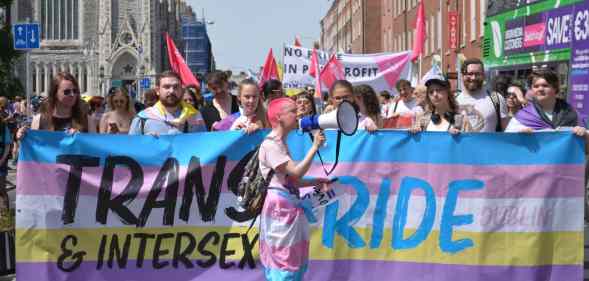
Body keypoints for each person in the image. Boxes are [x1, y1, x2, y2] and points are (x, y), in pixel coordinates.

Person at [259, 97, 333, 281]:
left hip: (287, 206)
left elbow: (290, 181)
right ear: (279, 117)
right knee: (284, 262)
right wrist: (314, 146)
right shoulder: (271, 145)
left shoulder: (280, 143)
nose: (298, 113)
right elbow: (296, 172)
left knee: (294, 258)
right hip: (280, 210)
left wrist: (316, 181)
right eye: (293, 110)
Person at [128, 71, 206, 135]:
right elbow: (132, 148)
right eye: (166, 87)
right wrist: (145, 142)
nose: (171, 91)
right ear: (157, 91)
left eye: (176, 87)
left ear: (181, 90)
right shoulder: (143, 119)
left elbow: (203, 147)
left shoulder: (195, 117)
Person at [16, 72, 94, 136]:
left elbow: (96, 149)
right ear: (55, 93)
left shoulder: (87, 120)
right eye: (67, 92)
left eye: (75, 91)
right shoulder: (39, 120)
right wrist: (23, 137)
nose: (72, 95)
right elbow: (35, 149)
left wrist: (81, 139)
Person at [505, 69, 582, 132]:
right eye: (536, 86)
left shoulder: (572, 113)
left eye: (545, 85)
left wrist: (584, 135)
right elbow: (507, 144)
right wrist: (519, 137)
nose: (540, 89)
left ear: (555, 88)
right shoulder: (522, 116)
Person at [456, 58, 509, 132]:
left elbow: (507, 132)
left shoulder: (497, 99)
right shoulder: (454, 101)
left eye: (478, 74)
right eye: (470, 74)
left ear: (483, 76)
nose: (473, 78)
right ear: (462, 76)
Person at [0, 119, 11, 211]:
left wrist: (2, 160)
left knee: (1, 187)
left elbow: (7, 146)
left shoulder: (4, 127)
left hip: (1, 162)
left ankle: (5, 211)